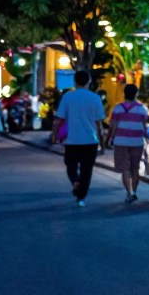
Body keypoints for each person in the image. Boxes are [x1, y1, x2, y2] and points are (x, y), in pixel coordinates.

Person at [51, 70, 105, 207]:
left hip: (73, 140)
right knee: (87, 170)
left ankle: (75, 182)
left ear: (75, 81)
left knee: (70, 165)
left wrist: (54, 136)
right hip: (90, 140)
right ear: (89, 81)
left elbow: (59, 119)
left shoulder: (68, 97)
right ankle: (81, 198)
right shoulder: (95, 98)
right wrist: (103, 143)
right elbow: (99, 124)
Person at [104, 84, 149, 203]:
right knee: (135, 168)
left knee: (125, 169)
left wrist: (109, 139)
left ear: (124, 94)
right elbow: (144, 126)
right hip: (137, 142)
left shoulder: (118, 108)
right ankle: (134, 192)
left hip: (121, 142)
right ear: (136, 94)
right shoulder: (142, 108)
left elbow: (113, 126)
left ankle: (129, 194)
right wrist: (146, 137)